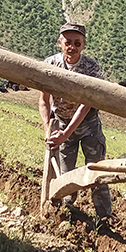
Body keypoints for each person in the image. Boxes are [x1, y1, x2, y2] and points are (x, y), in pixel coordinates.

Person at [38, 22, 111, 218]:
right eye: (68, 42)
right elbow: (44, 100)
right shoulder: (50, 64)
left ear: (83, 45)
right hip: (61, 122)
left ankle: (103, 217)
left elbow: (85, 105)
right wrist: (48, 129)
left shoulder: (91, 67)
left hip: (88, 126)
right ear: (60, 42)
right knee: (65, 173)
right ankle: (68, 212)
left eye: (77, 43)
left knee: (97, 170)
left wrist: (66, 134)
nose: (72, 47)